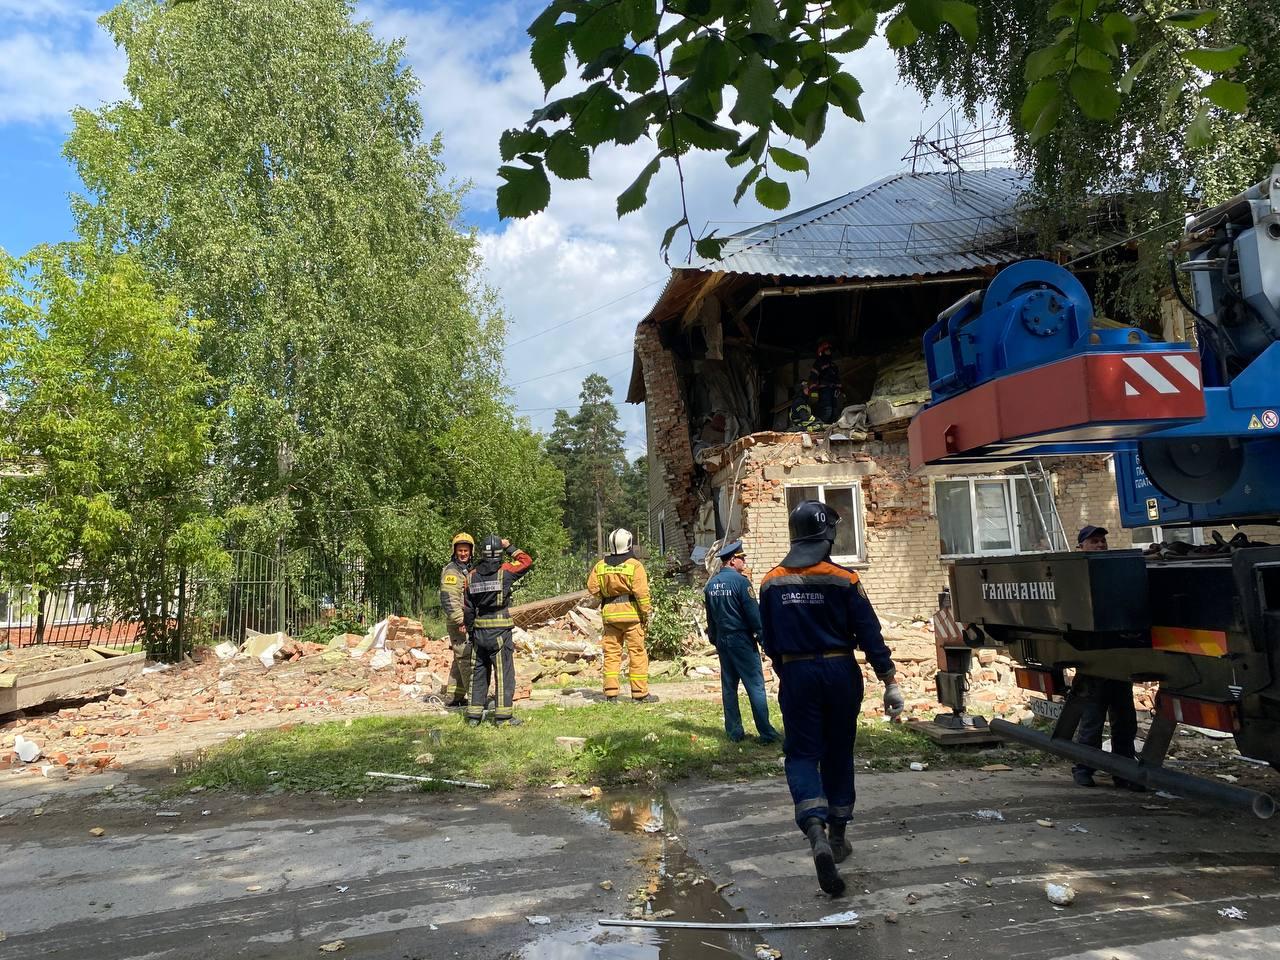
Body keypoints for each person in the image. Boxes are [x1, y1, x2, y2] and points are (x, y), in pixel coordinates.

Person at [759, 500, 903, 897]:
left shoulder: (771, 582)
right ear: (827, 536)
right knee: (839, 751)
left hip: (797, 673)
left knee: (803, 754)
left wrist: (790, 671)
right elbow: (869, 633)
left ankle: (815, 830)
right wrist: (889, 680)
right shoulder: (845, 580)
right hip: (841, 671)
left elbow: (768, 640)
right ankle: (838, 838)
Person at [1070, 524, 1143, 790]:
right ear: (1081, 547)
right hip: (1094, 663)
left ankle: (1122, 772)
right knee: (1093, 720)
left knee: (1124, 722)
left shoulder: (1113, 572)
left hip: (1118, 662)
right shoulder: (1078, 574)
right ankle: (1083, 769)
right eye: (1094, 541)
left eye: (1102, 541)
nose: (1100, 545)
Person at [704, 541, 780, 744]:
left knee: (729, 687)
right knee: (755, 685)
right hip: (741, 640)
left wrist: (715, 640)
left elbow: (710, 618)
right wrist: (764, 639)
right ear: (732, 560)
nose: (744, 561)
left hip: (723, 640)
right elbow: (754, 615)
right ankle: (766, 733)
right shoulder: (741, 583)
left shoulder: (711, 585)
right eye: (741, 558)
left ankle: (734, 732)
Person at [463, 536, 532, 727]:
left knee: (478, 672)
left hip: (479, 631)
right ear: (500, 554)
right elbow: (526, 561)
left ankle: (474, 716)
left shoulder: (471, 576)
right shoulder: (506, 572)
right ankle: (503, 718)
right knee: (503, 673)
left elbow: (467, 609)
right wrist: (509, 546)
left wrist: (471, 631)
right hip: (500, 631)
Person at [587, 528, 659, 703]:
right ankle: (640, 694)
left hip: (610, 616)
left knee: (611, 654)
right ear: (628, 543)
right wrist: (646, 613)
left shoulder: (600, 566)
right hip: (632, 616)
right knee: (637, 654)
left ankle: (611, 693)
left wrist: (607, 595)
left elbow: (592, 587)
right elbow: (642, 593)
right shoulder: (635, 565)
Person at [440, 532, 474, 707]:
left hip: (465, 620)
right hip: (459, 623)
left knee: (460, 657)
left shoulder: (466, 569)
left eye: (466, 550)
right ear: (454, 551)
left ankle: (454, 696)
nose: (463, 553)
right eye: (460, 550)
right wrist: (461, 621)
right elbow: (449, 599)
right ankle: (476, 699)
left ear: (471, 551)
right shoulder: (452, 571)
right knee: (467, 658)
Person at [807, 341, 843, 423]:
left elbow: (837, 378)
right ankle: (821, 427)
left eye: (829, 350)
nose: (829, 352)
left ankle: (831, 428)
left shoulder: (833, 365)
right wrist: (814, 390)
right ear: (822, 352)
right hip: (824, 390)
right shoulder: (818, 363)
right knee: (827, 410)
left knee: (834, 411)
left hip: (833, 390)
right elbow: (813, 376)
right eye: (827, 350)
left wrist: (839, 388)